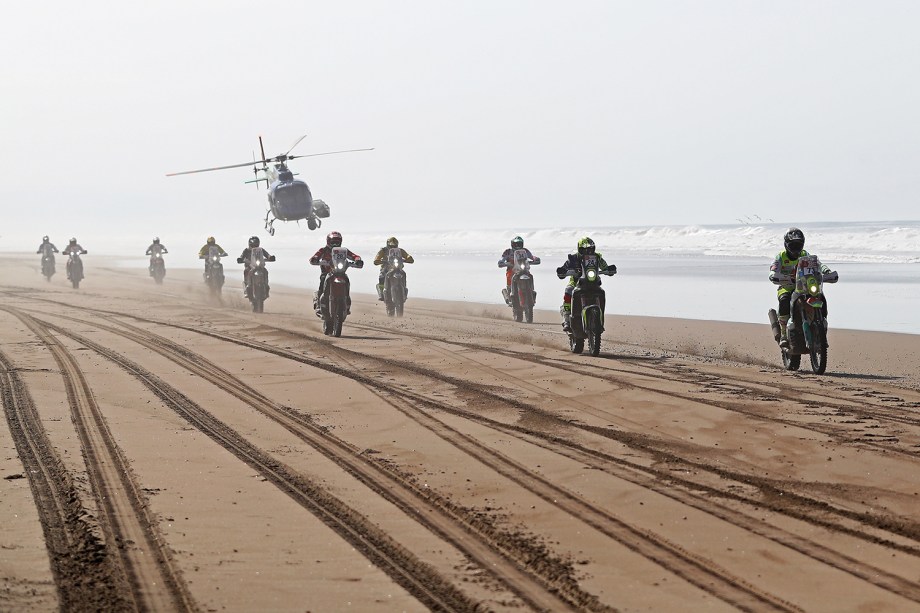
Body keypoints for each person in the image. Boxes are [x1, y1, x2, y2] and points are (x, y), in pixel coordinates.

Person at [769, 227, 835, 347]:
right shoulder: (781, 257)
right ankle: (784, 334)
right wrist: (774, 276)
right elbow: (773, 270)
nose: (796, 249)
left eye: (798, 245)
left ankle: (821, 321)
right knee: (784, 300)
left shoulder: (806, 255)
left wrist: (827, 271)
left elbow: (818, 265)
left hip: (804, 287)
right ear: (786, 245)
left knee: (821, 297)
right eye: (793, 245)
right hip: (787, 287)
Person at [555, 237, 615, 332]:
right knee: (568, 291)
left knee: (602, 292)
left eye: (590, 249)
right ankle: (566, 319)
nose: (588, 251)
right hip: (576, 283)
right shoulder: (573, 258)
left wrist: (609, 269)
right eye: (584, 249)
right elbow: (564, 268)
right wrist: (562, 271)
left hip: (594, 282)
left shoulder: (597, 257)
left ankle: (600, 321)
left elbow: (604, 267)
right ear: (579, 248)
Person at [310, 231, 363, 313]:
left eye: (337, 242)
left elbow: (353, 256)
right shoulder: (323, 250)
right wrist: (315, 259)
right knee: (323, 280)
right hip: (327, 272)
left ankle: (347, 304)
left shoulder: (343, 251)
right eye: (333, 242)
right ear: (328, 241)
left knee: (347, 281)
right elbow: (316, 255)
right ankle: (319, 304)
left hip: (340, 272)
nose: (335, 244)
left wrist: (358, 260)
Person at [498, 236, 540, 306]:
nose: (517, 246)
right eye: (516, 244)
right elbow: (502, 258)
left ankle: (532, 292)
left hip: (523, 269)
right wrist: (502, 262)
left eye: (519, 244)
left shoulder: (525, 251)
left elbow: (531, 256)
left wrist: (535, 259)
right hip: (512, 269)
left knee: (530, 276)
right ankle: (509, 294)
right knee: (509, 275)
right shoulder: (508, 251)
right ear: (512, 244)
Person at [373, 236, 414, 301]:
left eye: (395, 246)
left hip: (397, 267)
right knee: (381, 276)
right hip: (386, 267)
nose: (393, 247)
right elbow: (376, 259)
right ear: (388, 244)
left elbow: (407, 255)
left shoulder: (400, 250)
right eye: (391, 246)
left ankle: (404, 291)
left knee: (403, 274)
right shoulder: (383, 250)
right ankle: (381, 293)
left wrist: (408, 258)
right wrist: (379, 261)